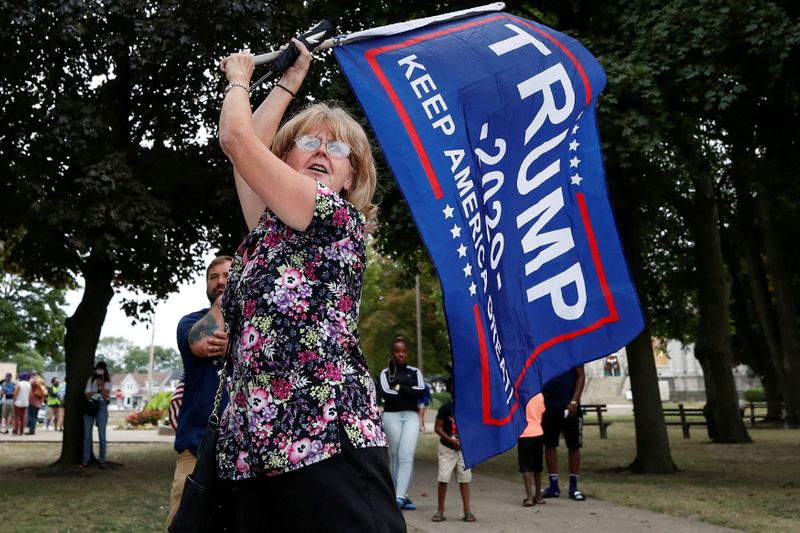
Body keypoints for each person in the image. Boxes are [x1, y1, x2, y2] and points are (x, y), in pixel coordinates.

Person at [213, 41, 404, 531]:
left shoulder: (332, 216)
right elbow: (247, 157)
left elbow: (237, 139)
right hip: (254, 444)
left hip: (325, 437)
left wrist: (239, 77)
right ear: (283, 157)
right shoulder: (269, 227)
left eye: (337, 148)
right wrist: (290, 80)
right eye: (308, 143)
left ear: (350, 175)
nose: (323, 151)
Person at [165, 255, 232, 529]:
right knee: (185, 524)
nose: (220, 282)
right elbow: (202, 343)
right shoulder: (190, 322)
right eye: (213, 277)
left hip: (245, 452)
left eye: (228, 275)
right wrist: (223, 303)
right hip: (195, 448)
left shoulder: (257, 327)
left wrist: (236, 347)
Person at [379, 335, 426, 510]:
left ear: (407, 353)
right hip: (392, 416)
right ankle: (401, 495)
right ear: (393, 353)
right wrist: (407, 389)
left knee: (406, 455)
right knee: (396, 455)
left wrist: (398, 387)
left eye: (404, 351)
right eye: (398, 351)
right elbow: (385, 394)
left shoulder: (415, 372)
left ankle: (398, 497)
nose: (401, 354)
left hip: (411, 416)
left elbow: (420, 391)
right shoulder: (385, 373)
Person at [431, 378, 475, 523]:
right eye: (453, 387)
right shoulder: (445, 408)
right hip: (447, 449)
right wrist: (451, 441)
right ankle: (440, 510)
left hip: (463, 450)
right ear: (449, 389)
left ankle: (467, 511)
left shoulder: (468, 407)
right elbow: (437, 428)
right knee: (443, 478)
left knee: (464, 480)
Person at [541, 364, 586, 501]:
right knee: (549, 445)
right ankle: (553, 486)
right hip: (548, 407)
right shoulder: (545, 351)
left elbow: (581, 375)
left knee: (574, 446)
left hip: (570, 407)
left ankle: (573, 487)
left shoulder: (572, 349)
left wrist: (574, 401)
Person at [81, 362, 111, 468]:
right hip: (91, 406)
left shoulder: (107, 381)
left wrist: (101, 386)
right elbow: (87, 394)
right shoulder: (91, 379)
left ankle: (102, 460)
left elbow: (106, 395)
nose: (99, 371)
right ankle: (86, 460)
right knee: (87, 435)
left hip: (102, 406)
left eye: (101, 369)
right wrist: (95, 393)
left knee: (102, 436)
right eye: (98, 369)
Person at [518, 393, 546, 507]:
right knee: (537, 467)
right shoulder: (539, 395)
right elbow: (542, 413)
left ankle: (529, 497)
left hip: (524, 433)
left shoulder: (520, 396)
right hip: (538, 432)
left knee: (526, 467)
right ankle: (538, 496)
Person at [27, 370, 46, 435]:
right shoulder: (41, 381)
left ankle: (31, 430)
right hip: (39, 401)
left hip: (32, 401)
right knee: (35, 416)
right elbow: (44, 391)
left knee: (31, 416)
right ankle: (33, 429)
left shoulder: (32, 380)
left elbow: (28, 386)